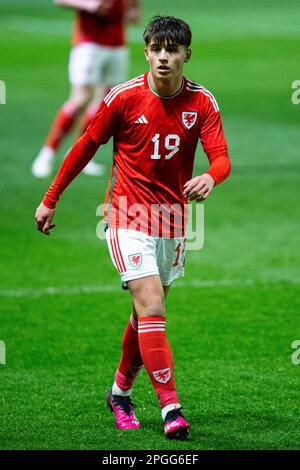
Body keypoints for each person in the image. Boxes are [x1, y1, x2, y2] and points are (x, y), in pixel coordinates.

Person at [35, 16, 231, 439]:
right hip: (126, 215)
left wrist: (211, 177)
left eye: (172, 50)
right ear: (146, 52)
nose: (164, 57)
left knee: (144, 315)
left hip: (174, 221)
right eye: (156, 49)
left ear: (186, 55)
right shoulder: (123, 98)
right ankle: (171, 409)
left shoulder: (203, 103)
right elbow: (86, 145)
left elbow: (221, 158)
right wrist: (51, 197)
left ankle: (119, 393)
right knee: (152, 305)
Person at [32, 0, 140, 178]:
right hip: (88, 43)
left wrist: (133, 13)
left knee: (106, 102)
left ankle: (78, 154)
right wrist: (88, 5)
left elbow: (134, 6)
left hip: (117, 44)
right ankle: (47, 153)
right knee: (81, 99)